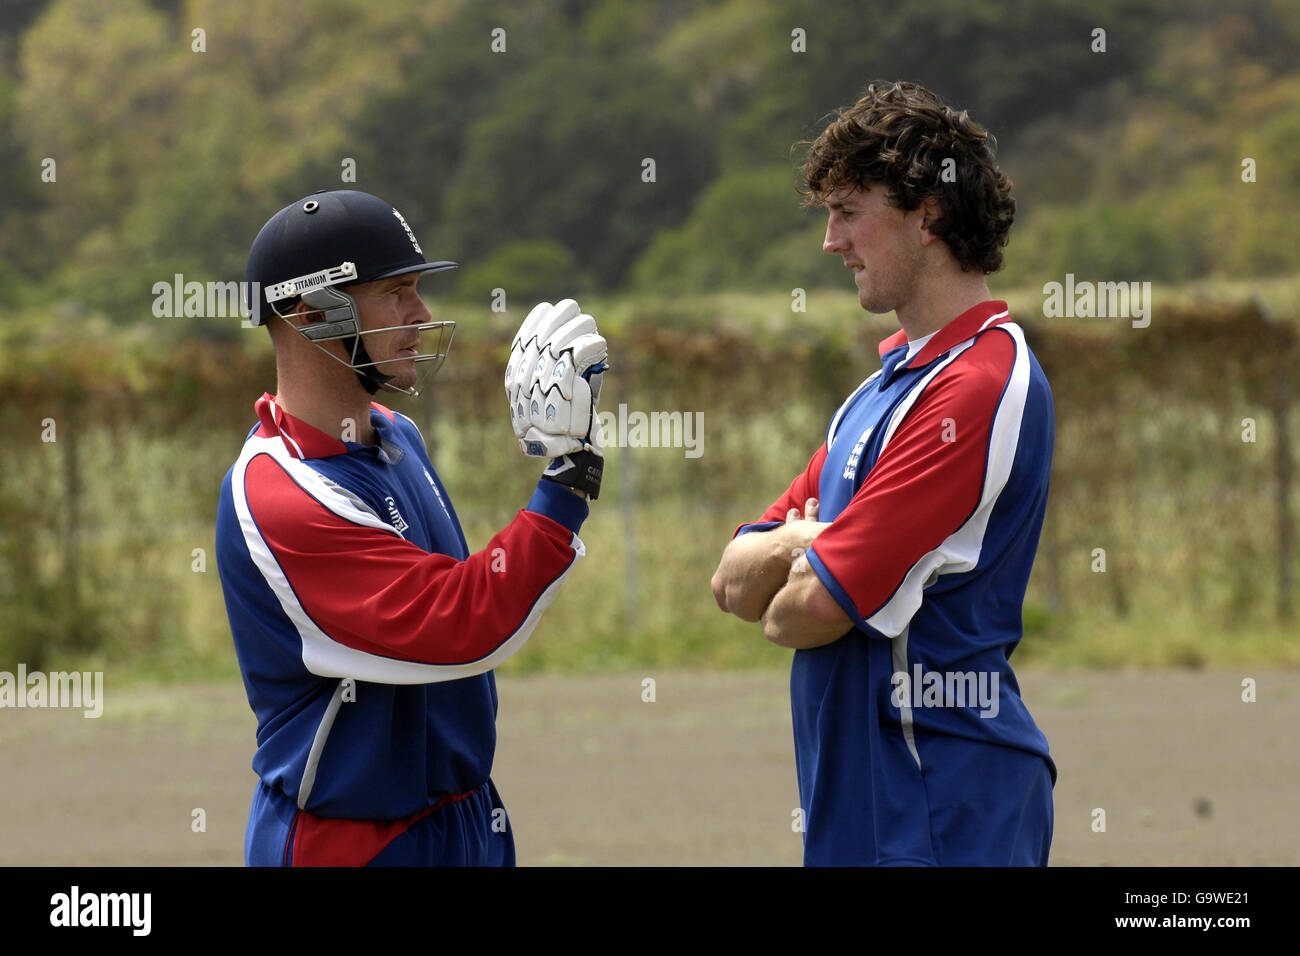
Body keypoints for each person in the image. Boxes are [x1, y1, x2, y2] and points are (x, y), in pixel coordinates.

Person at [711, 82, 1056, 866]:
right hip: (863, 800)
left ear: (926, 214)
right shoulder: (879, 392)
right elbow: (733, 585)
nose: (832, 242)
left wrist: (798, 560)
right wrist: (808, 536)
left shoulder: (979, 386)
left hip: (943, 801)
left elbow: (801, 615)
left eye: (848, 212)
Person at [215, 188, 606, 866]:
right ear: (311, 314)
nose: (421, 316)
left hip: (466, 816)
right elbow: (462, 620)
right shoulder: (279, 490)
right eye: (397, 293)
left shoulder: (398, 435)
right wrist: (567, 481)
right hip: (356, 840)